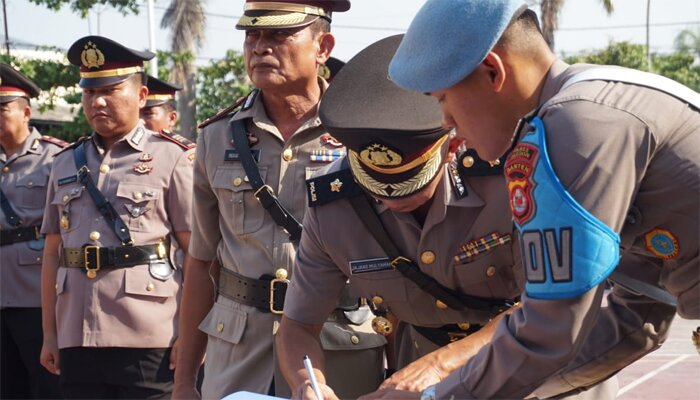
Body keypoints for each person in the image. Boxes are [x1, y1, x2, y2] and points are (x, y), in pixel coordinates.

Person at [380, 0, 700, 398]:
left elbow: (548, 329)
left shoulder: (578, 126)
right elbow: (637, 317)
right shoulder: (596, 102)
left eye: (442, 98)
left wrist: (437, 396)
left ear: (493, 71)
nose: (446, 123)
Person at [274, 34, 529, 400]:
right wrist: (308, 384)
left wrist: (442, 365)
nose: (391, 200)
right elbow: (298, 323)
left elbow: (546, 306)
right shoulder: (333, 204)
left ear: (451, 147)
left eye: (410, 184)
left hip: (530, 368)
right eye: (374, 186)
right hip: (419, 380)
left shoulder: (508, 178)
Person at [173, 1, 386, 399]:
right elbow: (201, 263)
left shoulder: (364, 134)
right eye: (252, 36)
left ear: (323, 47)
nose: (259, 47)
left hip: (336, 345)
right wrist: (185, 381)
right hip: (238, 350)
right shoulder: (217, 137)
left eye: (278, 35)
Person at [39, 35, 195, 399]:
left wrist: (189, 336)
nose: (98, 101)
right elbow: (51, 254)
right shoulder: (64, 163)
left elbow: (196, 255)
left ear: (141, 97)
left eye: (110, 90)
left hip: (150, 337)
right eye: (90, 92)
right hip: (77, 334)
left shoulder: (172, 158)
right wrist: (50, 333)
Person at [0, 63, 64, 399]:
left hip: (36, 291)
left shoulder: (56, 158)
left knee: (47, 385)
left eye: (1, 108)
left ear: (26, 112)